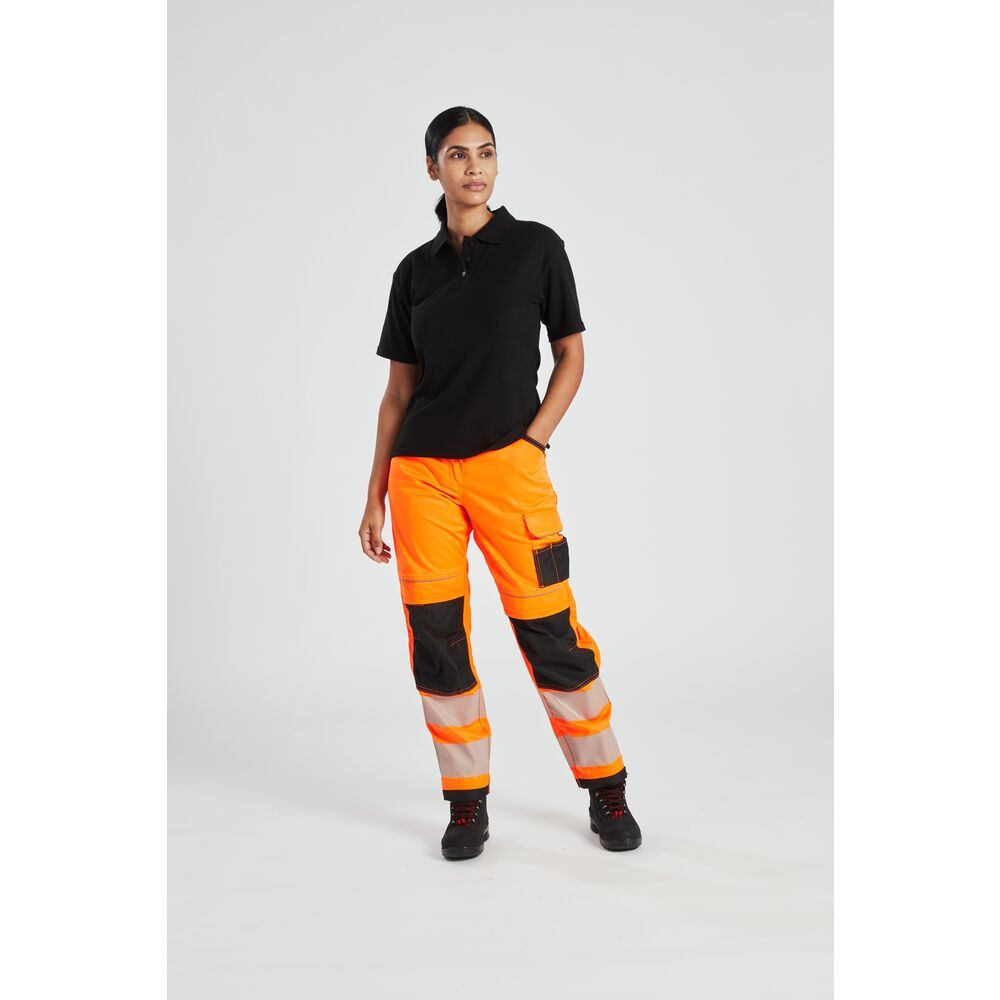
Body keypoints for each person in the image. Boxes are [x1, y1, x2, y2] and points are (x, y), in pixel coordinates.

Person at [360, 106, 641, 860]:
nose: (474, 167)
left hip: (510, 471)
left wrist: (534, 440)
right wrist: (374, 495)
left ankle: (606, 785)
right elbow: (397, 394)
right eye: (457, 155)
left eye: (485, 153)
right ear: (433, 169)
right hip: (422, 478)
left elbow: (571, 354)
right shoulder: (413, 272)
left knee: (551, 633)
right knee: (438, 643)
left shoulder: (536, 248)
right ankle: (465, 804)